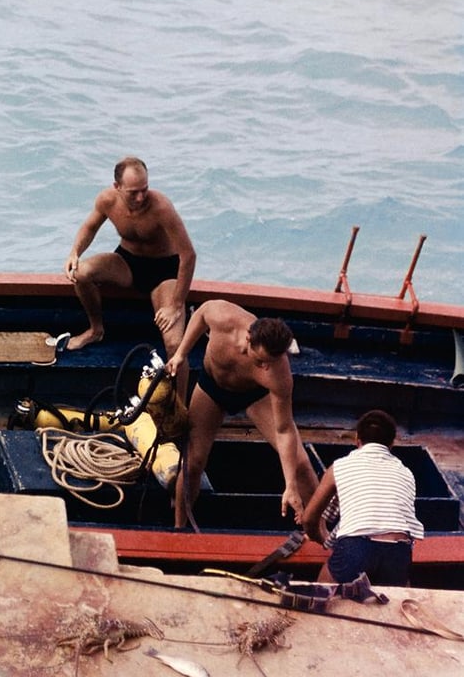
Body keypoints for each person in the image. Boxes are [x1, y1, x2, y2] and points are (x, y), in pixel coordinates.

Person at [164, 299, 318, 529]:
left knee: (301, 464)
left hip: (254, 396)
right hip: (212, 389)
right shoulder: (224, 318)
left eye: (271, 362)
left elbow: (284, 429)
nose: (266, 368)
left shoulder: (278, 372)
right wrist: (181, 354)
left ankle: (319, 528)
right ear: (248, 339)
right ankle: (178, 527)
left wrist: (290, 486)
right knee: (193, 463)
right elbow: (201, 314)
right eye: (261, 361)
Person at [62, 157, 196, 375]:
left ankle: (179, 407)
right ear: (117, 187)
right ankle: (96, 329)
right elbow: (90, 227)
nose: (141, 197)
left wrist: (176, 305)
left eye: (145, 189)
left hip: (164, 272)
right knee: (80, 272)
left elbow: (188, 255)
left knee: (174, 344)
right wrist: (74, 252)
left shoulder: (161, 207)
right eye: (133, 192)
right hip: (128, 262)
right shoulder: (107, 200)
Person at [302, 409, 423, 586]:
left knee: (323, 593)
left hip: (357, 548)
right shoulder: (406, 473)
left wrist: (321, 539)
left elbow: (309, 519)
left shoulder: (339, 467)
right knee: (392, 600)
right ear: (391, 444)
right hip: (399, 551)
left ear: (357, 439)